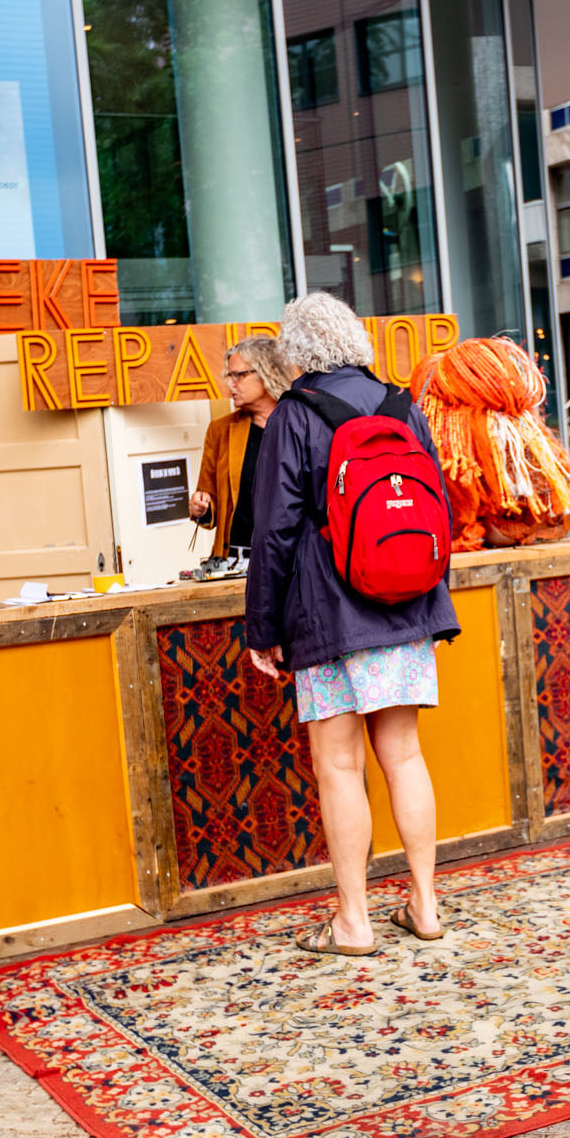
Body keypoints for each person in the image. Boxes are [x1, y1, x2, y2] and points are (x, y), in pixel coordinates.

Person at [244, 292, 458, 956]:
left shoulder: (294, 416)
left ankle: (354, 921)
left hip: (329, 614)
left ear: (297, 352)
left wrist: (262, 628)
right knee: (405, 756)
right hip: (406, 607)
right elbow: (439, 508)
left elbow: (274, 531)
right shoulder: (401, 405)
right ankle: (424, 903)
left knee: (338, 766)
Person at [190, 336, 296, 557]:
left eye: (239, 375)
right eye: (229, 376)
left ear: (268, 373)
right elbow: (209, 503)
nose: (231, 383)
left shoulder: (300, 424)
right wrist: (201, 509)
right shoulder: (220, 430)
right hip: (239, 562)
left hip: (293, 559)